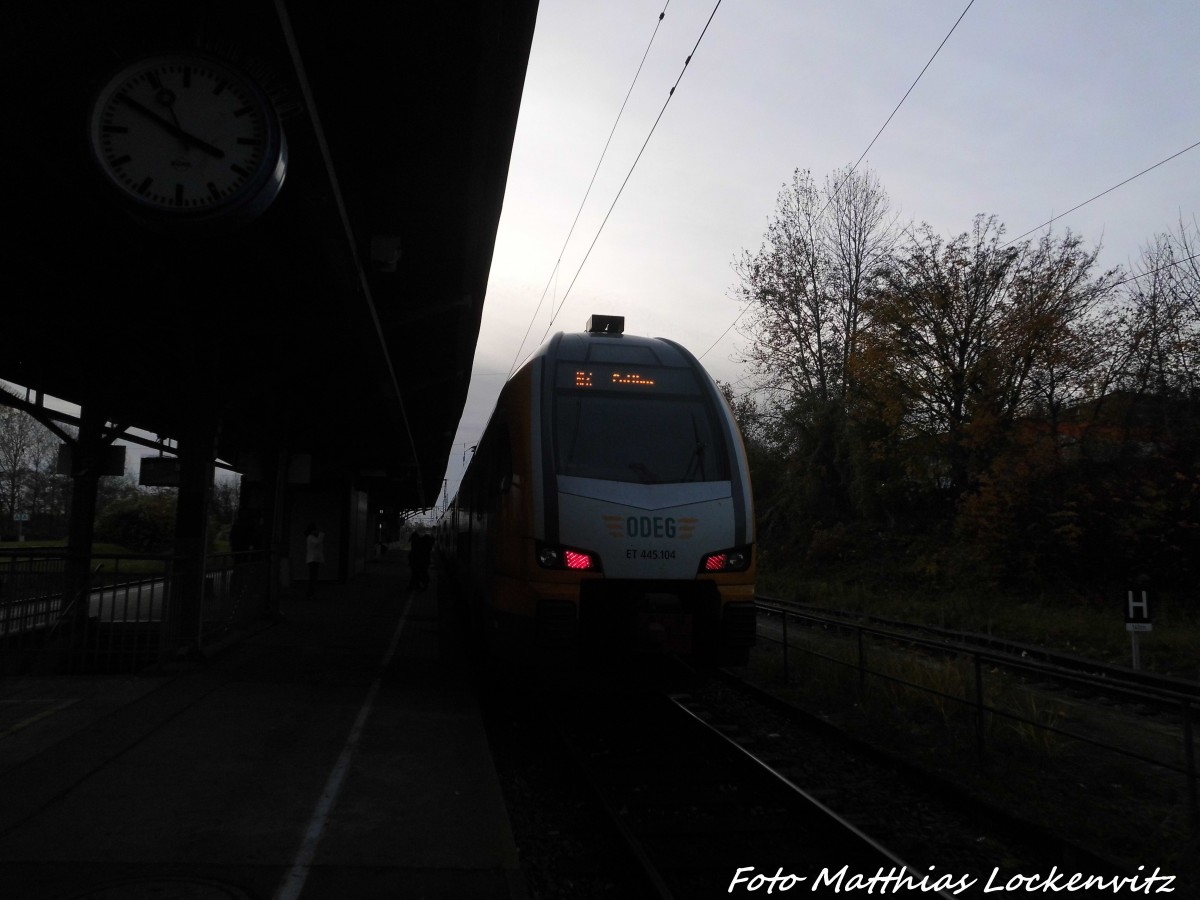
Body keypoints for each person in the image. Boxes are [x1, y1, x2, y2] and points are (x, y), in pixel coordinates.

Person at [305, 522, 325, 598]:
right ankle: (310, 593)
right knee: (312, 577)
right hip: (313, 559)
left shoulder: (310, 537)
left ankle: (310, 593)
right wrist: (321, 534)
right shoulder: (310, 537)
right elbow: (318, 542)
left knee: (313, 577)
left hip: (313, 559)